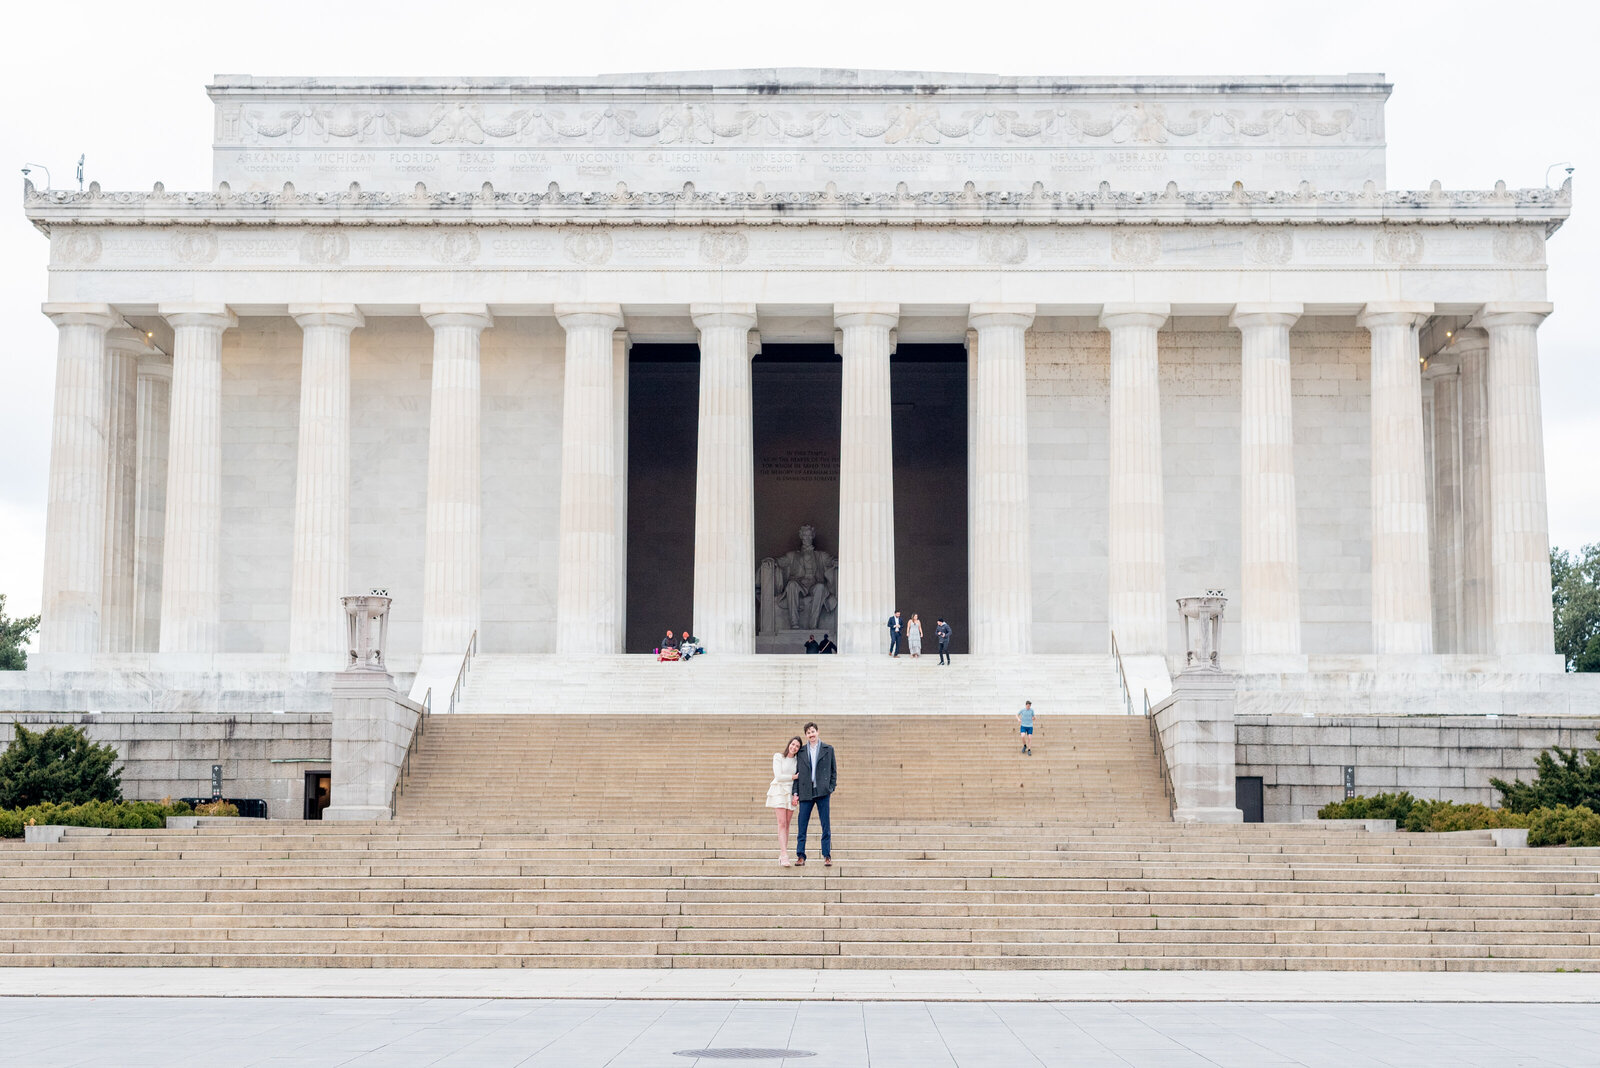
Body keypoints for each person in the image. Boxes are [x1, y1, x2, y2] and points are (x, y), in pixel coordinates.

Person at [792, 721, 836, 867]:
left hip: (822, 792)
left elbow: (833, 771)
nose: (811, 734)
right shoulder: (801, 752)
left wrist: (830, 788)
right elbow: (796, 774)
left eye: (813, 731)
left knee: (825, 824)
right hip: (806, 792)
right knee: (802, 824)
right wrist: (795, 792)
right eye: (808, 733)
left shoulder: (828, 749)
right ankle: (800, 855)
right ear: (806, 735)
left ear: (818, 732)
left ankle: (827, 855)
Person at [767, 735, 803, 866]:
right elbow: (779, 776)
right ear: (789, 744)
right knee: (781, 822)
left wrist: (795, 794)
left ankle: (784, 852)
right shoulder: (778, 757)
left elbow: (798, 780)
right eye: (793, 744)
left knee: (787, 824)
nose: (794, 747)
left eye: (797, 746)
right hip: (779, 791)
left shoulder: (797, 762)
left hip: (790, 792)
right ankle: (784, 855)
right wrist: (794, 776)